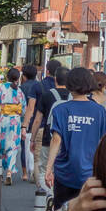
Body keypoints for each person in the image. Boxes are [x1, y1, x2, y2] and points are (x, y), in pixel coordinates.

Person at [44, 66, 106, 208]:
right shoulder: (99, 111)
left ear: (69, 85)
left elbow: (56, 140)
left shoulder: (60, 110)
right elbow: (105, 143)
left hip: (65, 173)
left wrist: (48, 169)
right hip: (91, 173)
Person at [30, 59, 69, 193]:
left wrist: (32, 139)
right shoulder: (73, 96)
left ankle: (47, 196)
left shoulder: (47, 95)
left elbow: (37, 120)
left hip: (49, 137)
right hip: (68, 140)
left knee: (43, 168)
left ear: (55, 79)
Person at [0, 67, 25, 185]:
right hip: (15, 120)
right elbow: (23, 108)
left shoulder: (0, 89)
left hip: (2, 119)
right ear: (17, 78)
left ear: (7, 77)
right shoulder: (20, 91)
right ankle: (9, 172)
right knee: (13, 146)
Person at [19, 63, 42, 179]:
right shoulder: (40, 86)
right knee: (37, 146)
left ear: (24, 76)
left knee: (24, 146)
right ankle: (35, 170)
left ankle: (25, 173)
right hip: (39, 119)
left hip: (25, 120)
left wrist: (24, 124)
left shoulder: (21, 88)